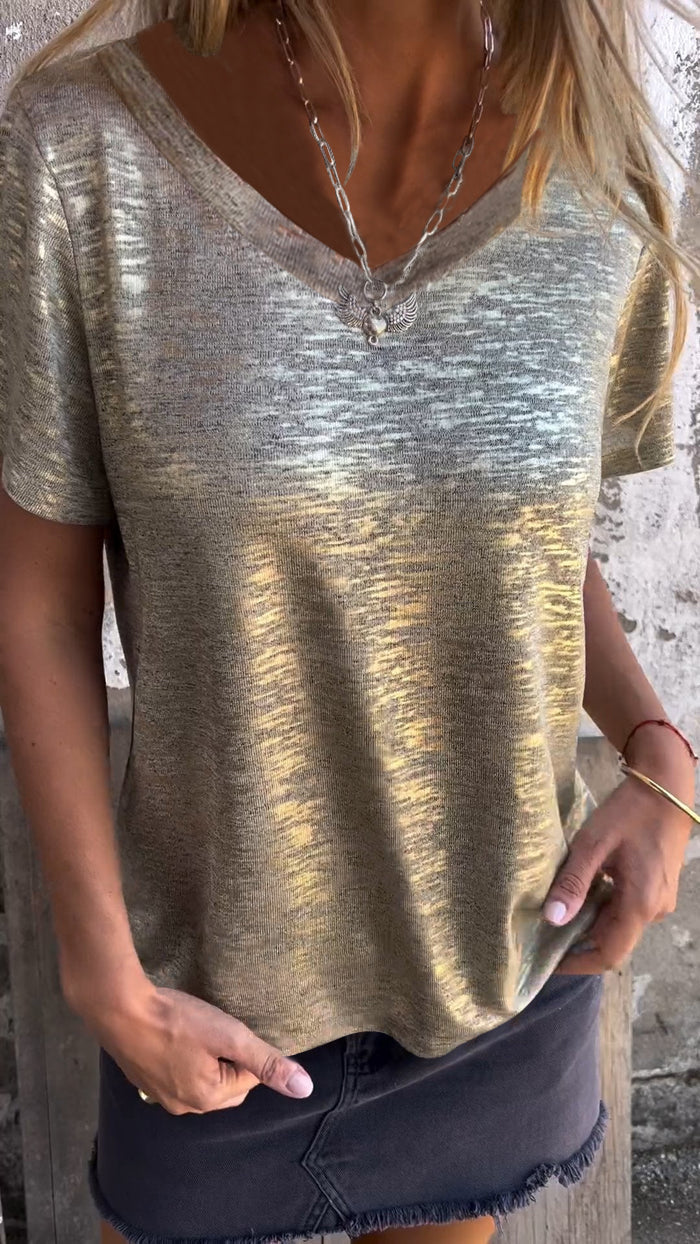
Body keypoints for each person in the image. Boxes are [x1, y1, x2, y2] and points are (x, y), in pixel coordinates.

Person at [0, 1, 698, 1242]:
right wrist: (101, 970)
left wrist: (659, 751)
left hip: (500, 970)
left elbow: (523, 546)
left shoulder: (608, 173)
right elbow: (41, 596)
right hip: (202, 996)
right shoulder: (84, 147)